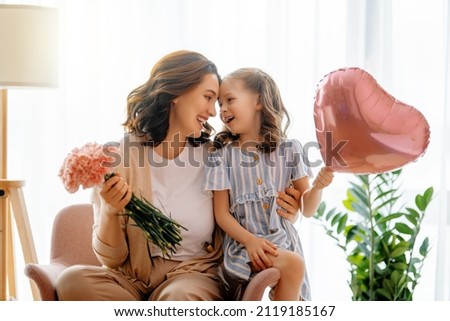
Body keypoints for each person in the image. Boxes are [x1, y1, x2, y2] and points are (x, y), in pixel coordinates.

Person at [56, 51, 300, 301]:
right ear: (176, 93)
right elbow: (111, 259)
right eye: (208, 98)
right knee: (72, 281)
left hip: (193, 276)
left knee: (179, 299)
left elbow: (251, 204)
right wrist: (109, 210)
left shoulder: (215, 156)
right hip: (131, 280)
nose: (213, 112)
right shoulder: (123, 155)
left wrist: (290, 209)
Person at [204, 68, 334, 301]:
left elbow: (308, 209)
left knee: (294, 271)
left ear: (259, 101)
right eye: (220, 103)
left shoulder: (290, 150)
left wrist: (318, 188)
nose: (222, 109)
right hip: (245, 248)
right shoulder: (222, 156)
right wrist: (250, 241)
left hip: (285, 243)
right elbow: (221, 214)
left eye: (230, 100)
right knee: (293, 265)